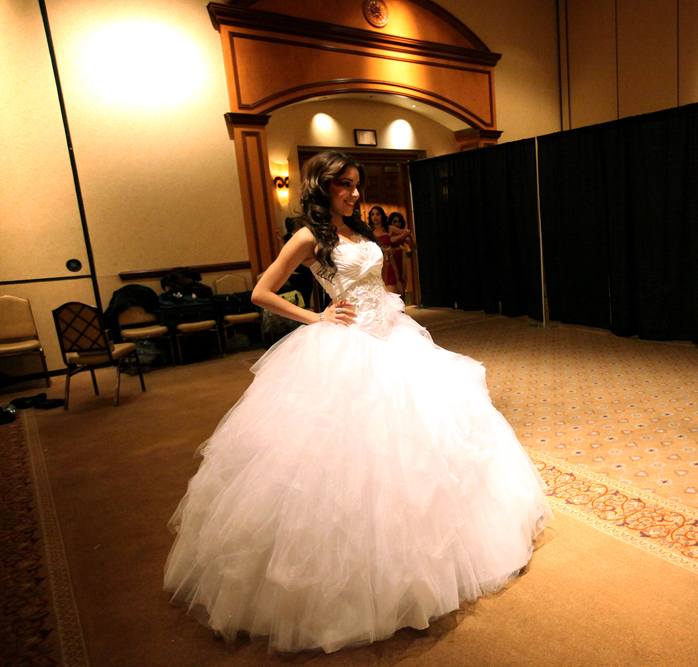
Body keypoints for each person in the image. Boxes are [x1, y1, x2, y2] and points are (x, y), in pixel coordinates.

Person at [164, 151, 550, 652]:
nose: (353, 193)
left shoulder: (361, 233)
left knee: (427, 445)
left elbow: (377, 284)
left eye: (355, 184)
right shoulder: (308, 236)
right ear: (321, 187)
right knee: (346, 463)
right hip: (345, 348)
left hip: (394, 339)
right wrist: (316, 319)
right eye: (343, 185)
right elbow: (261, 291)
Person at [368, 205, 404, 294]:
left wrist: (397, 238)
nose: (375, 217)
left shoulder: (388, 228)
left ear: (382, 216)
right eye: (372, 214)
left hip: (388, 261)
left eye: (378, 214)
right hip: (375, 264)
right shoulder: (369, 231)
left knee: (390, 294)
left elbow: (407, 232)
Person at [387, 211, 414, 298]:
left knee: (402, 285)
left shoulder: (401, 234)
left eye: (399, 222)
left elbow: (414, 245)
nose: (397, 224)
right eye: (394, 221)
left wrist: (410, 235)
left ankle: (402, 309)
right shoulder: (389, 231)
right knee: (394, 284)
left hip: (401, 260)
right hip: (391, 260)